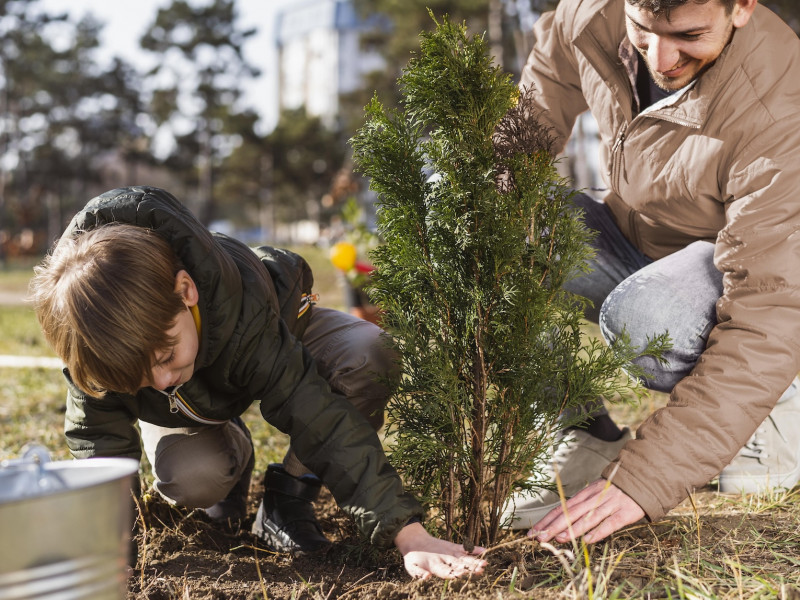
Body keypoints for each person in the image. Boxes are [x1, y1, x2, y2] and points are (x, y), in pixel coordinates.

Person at [30, 185, 487, 580]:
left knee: (369, 355)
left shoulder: (243, 309)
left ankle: (288, 498)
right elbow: (100, 447)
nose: (163, 380)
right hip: (195, 405)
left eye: (166, 355)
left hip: (272, 330)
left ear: (185, 290)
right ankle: (233, 458)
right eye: (138, 377)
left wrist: (407, 533)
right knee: (192, 477)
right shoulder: (92, 340)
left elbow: (318, 416)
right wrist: (109, 550)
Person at [500, 0, 800, 545]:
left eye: (689, 35)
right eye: (642, 29)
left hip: (752, 271)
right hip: (635, 238)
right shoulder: (591, 14)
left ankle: (780, 402)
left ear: (741, 7)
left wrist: (644, 480)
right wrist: (488, 203)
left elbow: (769, 304)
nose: (659, 59)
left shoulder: (780, 106)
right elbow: (540, 100)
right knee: (495, 230)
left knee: (647, 321)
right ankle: (583, 431)